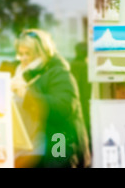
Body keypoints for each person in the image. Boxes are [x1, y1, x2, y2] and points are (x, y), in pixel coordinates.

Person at [11, 29, 91, 168]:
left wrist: (27, 95)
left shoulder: (57, 72)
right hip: (30, 154)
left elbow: (63, 108)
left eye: (28, 54)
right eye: (20, 54)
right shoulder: (22, 75)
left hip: (57, 151)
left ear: (41, 52)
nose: (23, 58)